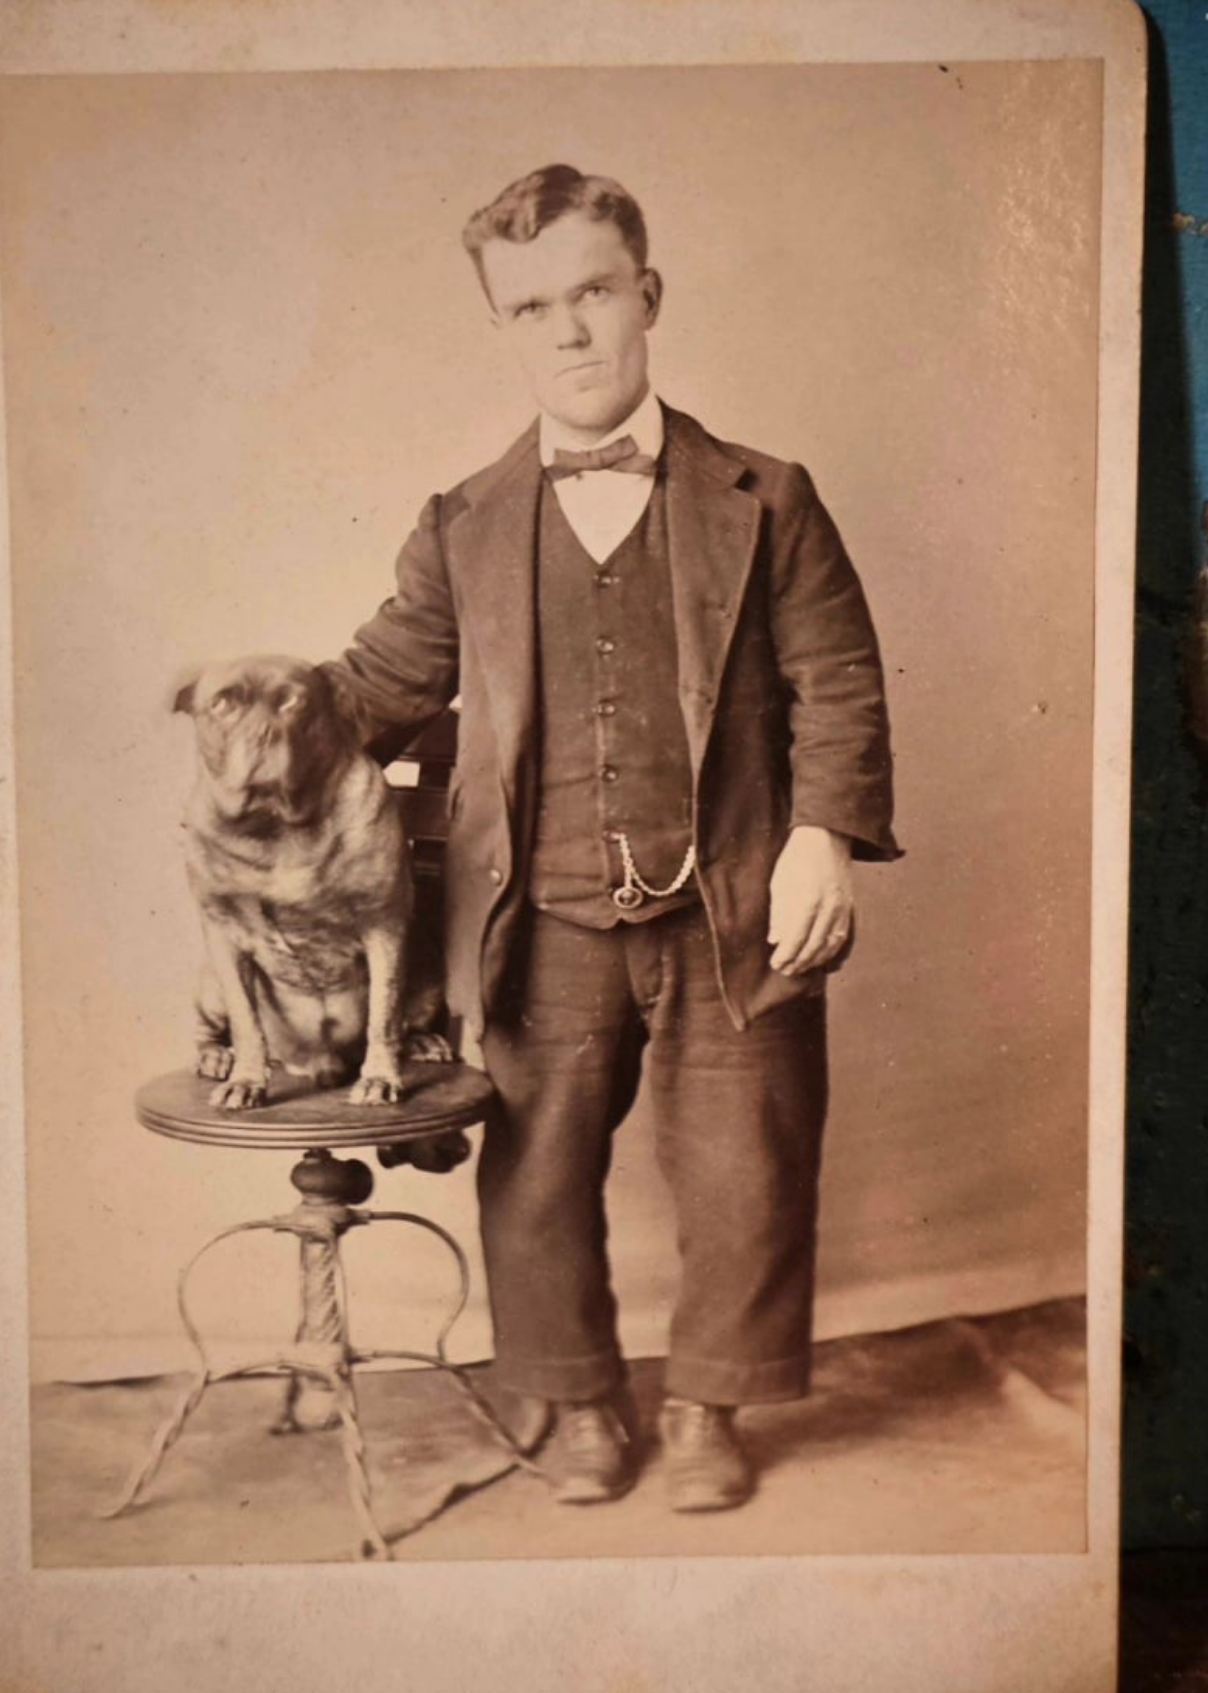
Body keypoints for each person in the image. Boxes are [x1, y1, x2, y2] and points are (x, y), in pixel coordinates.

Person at [332, 164, 899, 1512]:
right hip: (540, 922)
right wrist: (250, 728)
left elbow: (838, 678)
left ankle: (705, 1405)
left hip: (732, 910)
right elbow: (370, 692)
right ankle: (579, 1398)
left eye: (592, 291)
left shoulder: (766, 494)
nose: (570, 329)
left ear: (646, 294)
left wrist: (823, 832)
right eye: (531, 307)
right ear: (502, 328)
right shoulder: (459, 524)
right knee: (535, 1175)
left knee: (747, 1162)